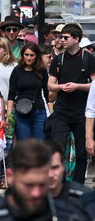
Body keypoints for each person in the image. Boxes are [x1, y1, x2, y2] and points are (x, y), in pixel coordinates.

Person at [48, 23, 95, 183]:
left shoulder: (88, 59)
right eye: (60, 37)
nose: (62, 40)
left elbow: (94, 86)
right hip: (61, 111)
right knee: (58, 150)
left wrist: (78, 86)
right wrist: (61, 86)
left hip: (81, 112)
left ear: (76, 39)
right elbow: (50, 84)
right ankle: (58, 184)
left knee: (82, 153)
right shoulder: (58, 59)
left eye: (65, 37)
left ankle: (78, 186)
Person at [6, 42, 49, 141]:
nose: (29, 58)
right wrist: (9, 116)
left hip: (39, 111)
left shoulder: (42, 71)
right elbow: (11, 95)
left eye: (32, 55)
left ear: (36, 56)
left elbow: (47, 95)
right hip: (21, 112)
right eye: (26, 55)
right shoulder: (17, 71)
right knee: (24, 146)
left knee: (39, 146)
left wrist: (51, 114)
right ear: (22, 55)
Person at [47, 140, 89, 207]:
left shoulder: (84, 198)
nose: (50, 175)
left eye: (55, 168)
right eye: (45, 169)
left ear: (63, 165)